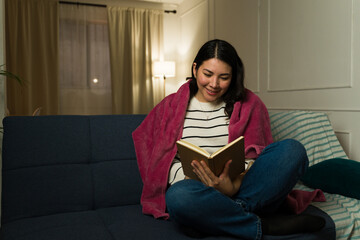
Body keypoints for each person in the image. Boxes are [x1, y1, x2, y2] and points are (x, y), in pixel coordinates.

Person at [133, 39, 325, 239]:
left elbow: (255, 156)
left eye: (224, 77)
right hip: (195, 188)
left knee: (292, 150)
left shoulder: (250, 104)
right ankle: (263, 225)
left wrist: (232, 185)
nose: (214, 84)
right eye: (207, 74)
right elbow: (160, 159)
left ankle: (219, 216)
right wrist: (192, 179)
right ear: (195, 68)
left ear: (233, 77)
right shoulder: (169, 106)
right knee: (179, 197)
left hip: (243, 187)